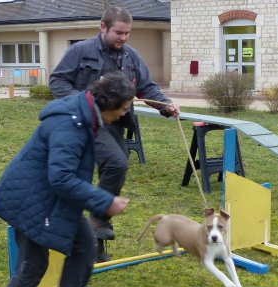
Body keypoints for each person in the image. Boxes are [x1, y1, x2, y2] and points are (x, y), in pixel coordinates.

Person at [0, 72, 135, 287]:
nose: (125, 114)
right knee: (33, 265)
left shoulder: (85, 113)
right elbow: (62, 178)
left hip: (52, 199)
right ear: (108, 103)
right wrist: (104, 201)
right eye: (124, 108)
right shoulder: (70, 123)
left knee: (85, 245)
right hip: (33, 199)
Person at [49, 6, 180, 261]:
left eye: (127, 33)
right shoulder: (80, 51)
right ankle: (98, 217)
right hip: (84, 122)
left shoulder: (131, 57)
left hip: (115, 123)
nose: (123, 38)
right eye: (118, 33)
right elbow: (57, 82)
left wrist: (165, 105)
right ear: (103, 27)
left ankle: (94, 241)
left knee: (118, 166)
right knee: (116, 163)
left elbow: (147, 88)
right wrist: (84, 102)